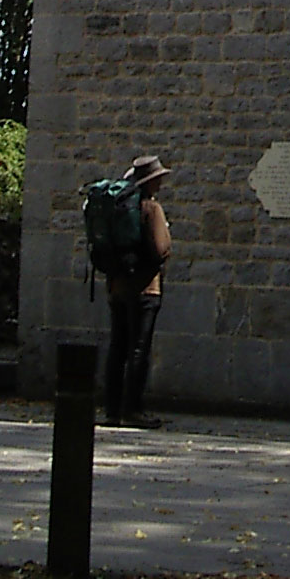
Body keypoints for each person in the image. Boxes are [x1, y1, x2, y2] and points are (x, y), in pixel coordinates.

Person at [104, 154, 172, 428]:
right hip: (145, 288)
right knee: (138, 349)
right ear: (151, 182)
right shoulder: (151, 209)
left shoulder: (120, 207)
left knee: (117, 346)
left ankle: (111, 409)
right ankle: (133, 409)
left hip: (117, 287)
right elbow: (160, 249)